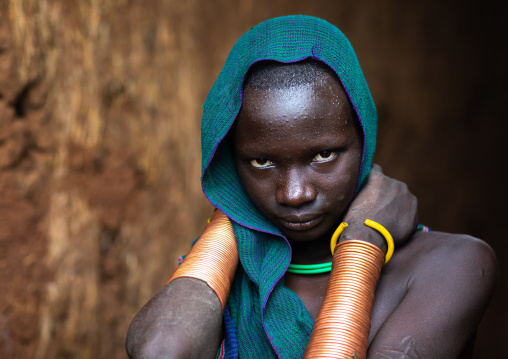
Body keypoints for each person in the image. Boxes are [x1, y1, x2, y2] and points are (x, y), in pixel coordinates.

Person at [126, 15, 497, 358]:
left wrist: (363, 244)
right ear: (229, 164)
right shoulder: (220, 280)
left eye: (323, 155)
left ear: (363, 137)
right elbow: (162, 351)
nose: (294, 193)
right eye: (261, 162)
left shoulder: (450, 265)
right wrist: (227, 226)